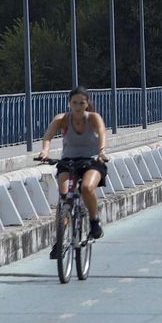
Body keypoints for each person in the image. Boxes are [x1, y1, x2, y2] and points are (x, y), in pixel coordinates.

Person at [36, 88, 110, 258]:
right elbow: (48, 136)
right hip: (68, 161)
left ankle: (93, 221)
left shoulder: (93, 117)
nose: (77, 107)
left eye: (81, 103)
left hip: (92, 160)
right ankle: (60, 240)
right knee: (64, 197)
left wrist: (101, 151)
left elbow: (102, 133)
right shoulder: (62, 119)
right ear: (69, 103)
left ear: (87, 104)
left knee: (86, 188)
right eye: (74, 103)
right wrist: (45, 152)